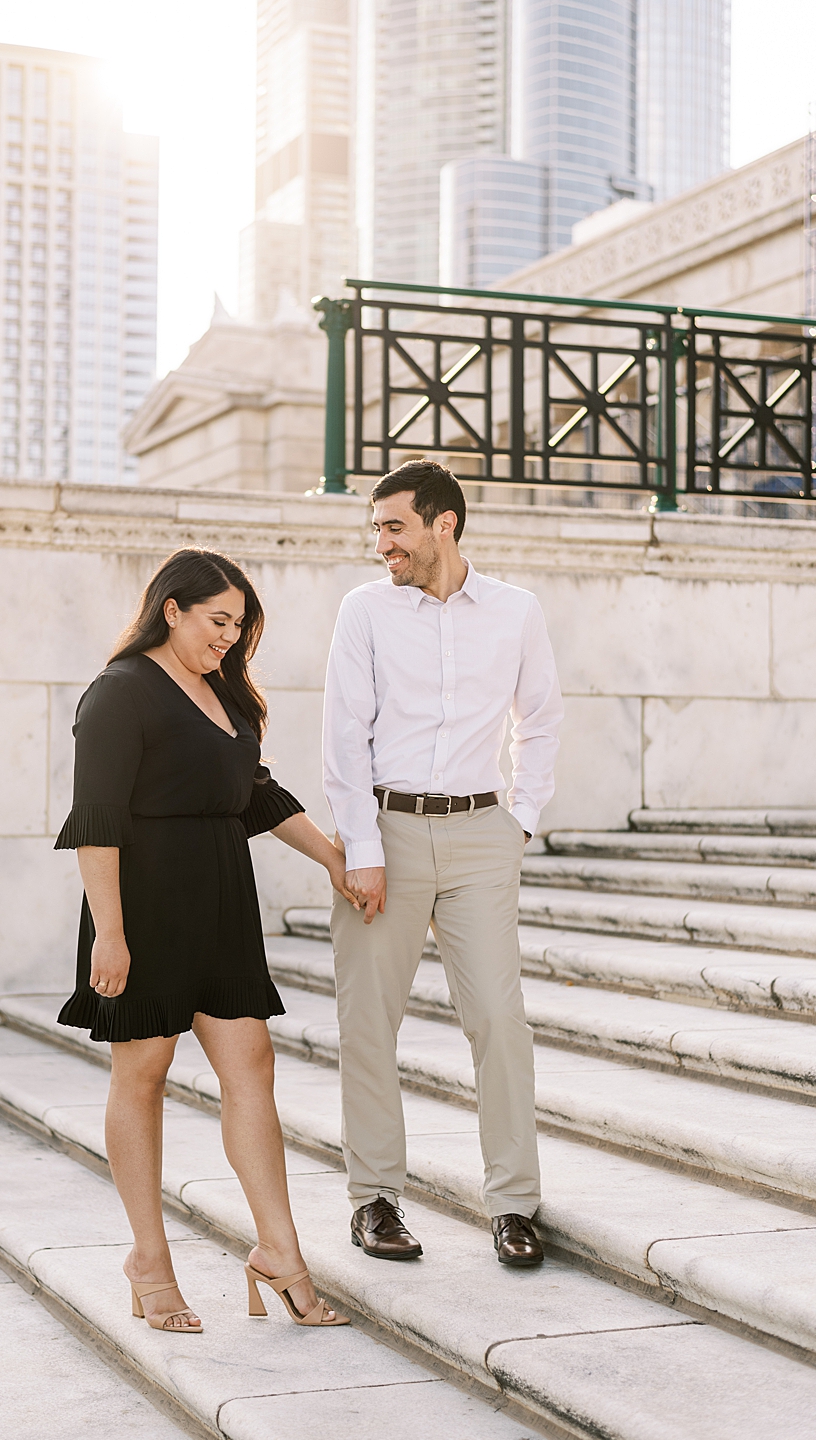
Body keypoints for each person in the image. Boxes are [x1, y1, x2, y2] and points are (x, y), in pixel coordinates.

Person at [56, 548, 356, 1334]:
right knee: (145, 1071)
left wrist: (332, 857)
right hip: (143, 902)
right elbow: (96, 820)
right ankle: (148, 1260)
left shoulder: (227, 694)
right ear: (172, 610)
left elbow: (254, 791)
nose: (229, 638)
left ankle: (280, 1254)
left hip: (222, 899)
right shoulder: (120, 694)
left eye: (240, 625)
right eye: (218, 621)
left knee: (252, 1064)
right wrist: (110, 933)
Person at [323, 458, 561, 1268]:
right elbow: (344, 738)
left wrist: (519, 821)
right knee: (368, 1024)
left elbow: (544, 719)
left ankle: (515, 1205)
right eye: (378, 527)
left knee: (498, 1018)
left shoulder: (515, 612)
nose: (381, 541)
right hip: (385, 833)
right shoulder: (364, 612)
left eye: (394, 526)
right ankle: (376, 1200)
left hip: (481, 837)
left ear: (442, 524)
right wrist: (360, 848)